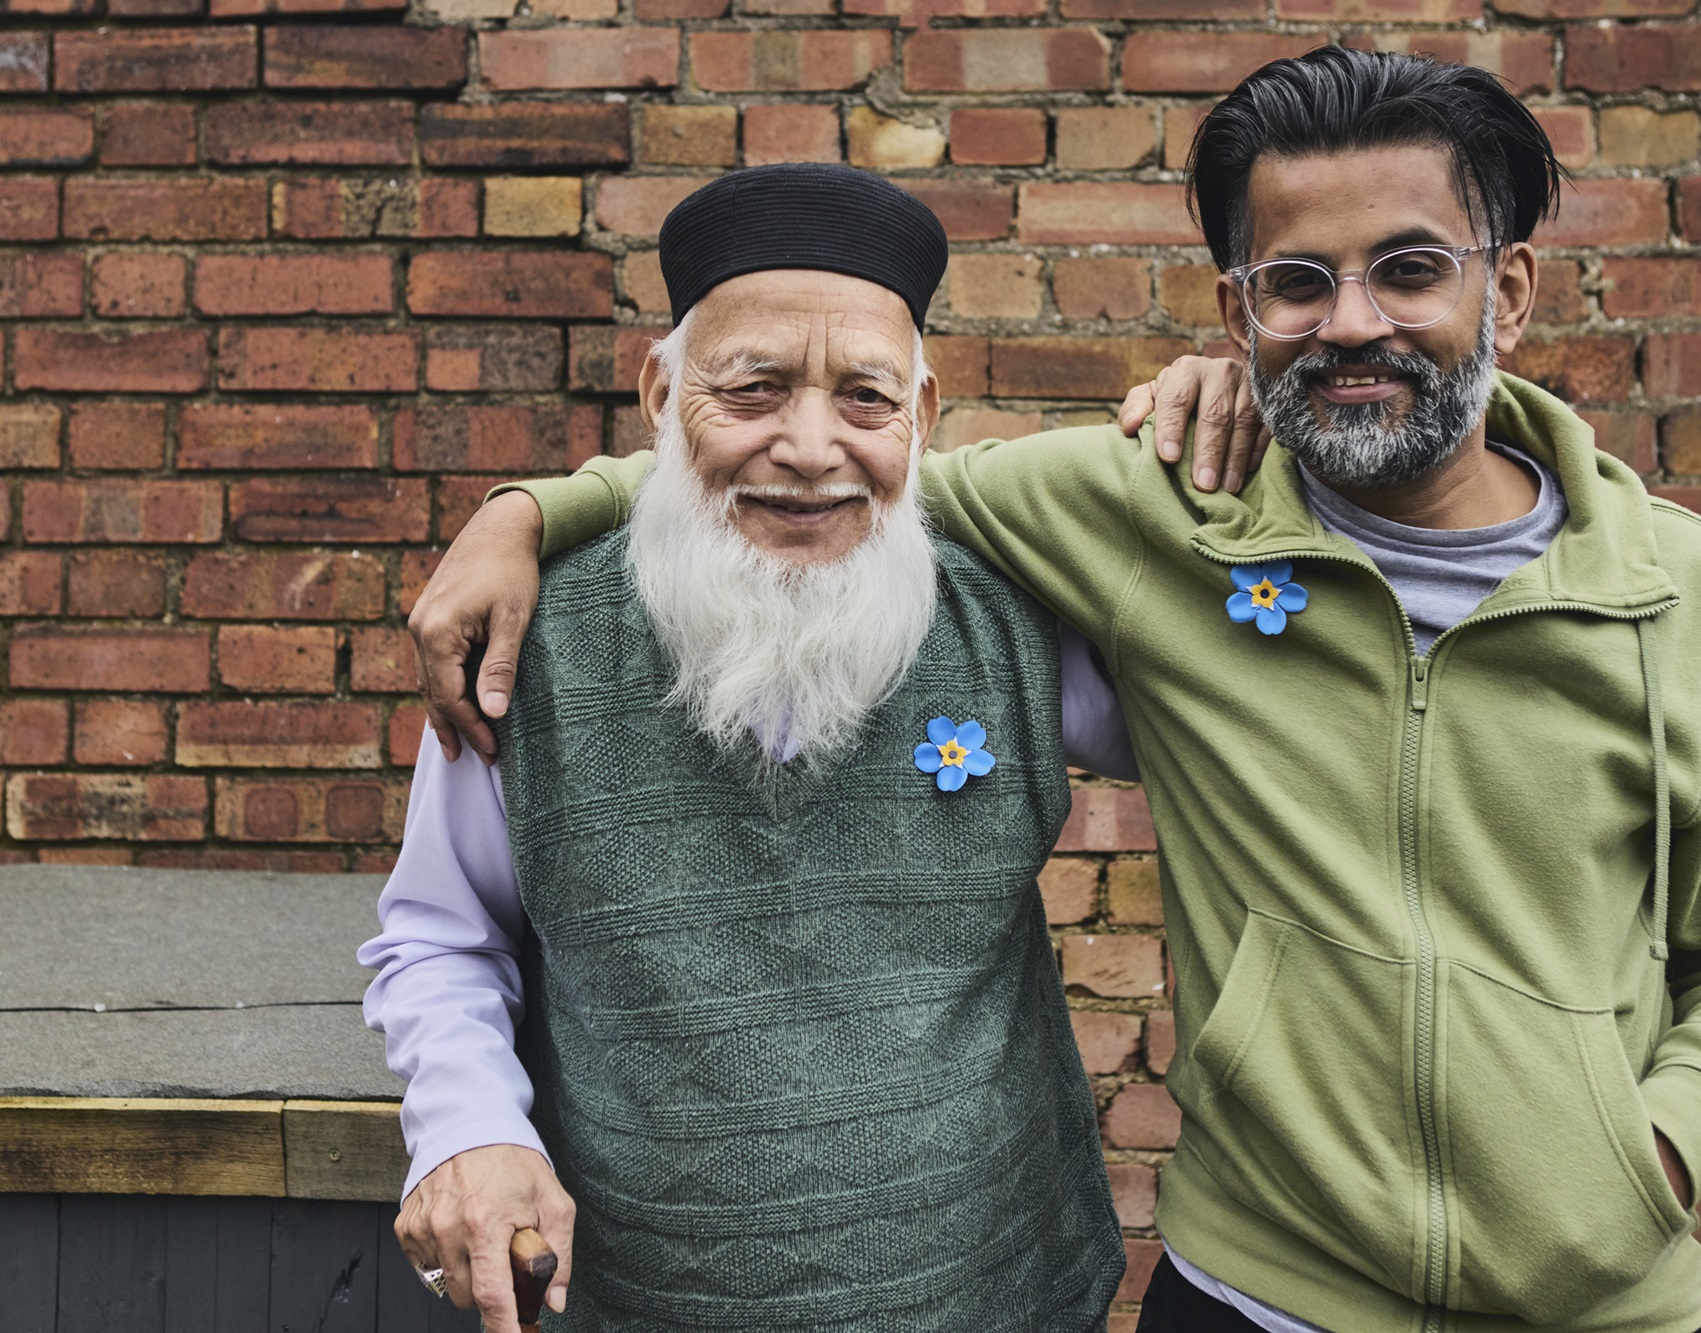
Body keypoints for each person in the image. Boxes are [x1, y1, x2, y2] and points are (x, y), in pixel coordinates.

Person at [412, 49, 1701, 1333]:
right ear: (1241, 311)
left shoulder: (1679, 589)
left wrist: (1651, 1150)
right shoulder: (1147, 525)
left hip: (1583, 1305)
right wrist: (530, 510)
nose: (1351, 322)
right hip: (1252, 1291)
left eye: (1410, 269)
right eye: (1297, 283)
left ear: (1508, 288)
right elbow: (803, 500)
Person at [362, 163, 1196, 1332]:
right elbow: (444, 937)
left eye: (864, 399)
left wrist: (1230, 417)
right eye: (752, 390)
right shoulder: (523, 642)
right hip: (644, 1305)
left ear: (925, 414)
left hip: (1001, 1297)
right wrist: (470, 1126)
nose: (809, 447)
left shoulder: (1018, 618)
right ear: (660, 394)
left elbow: (1251, 708)